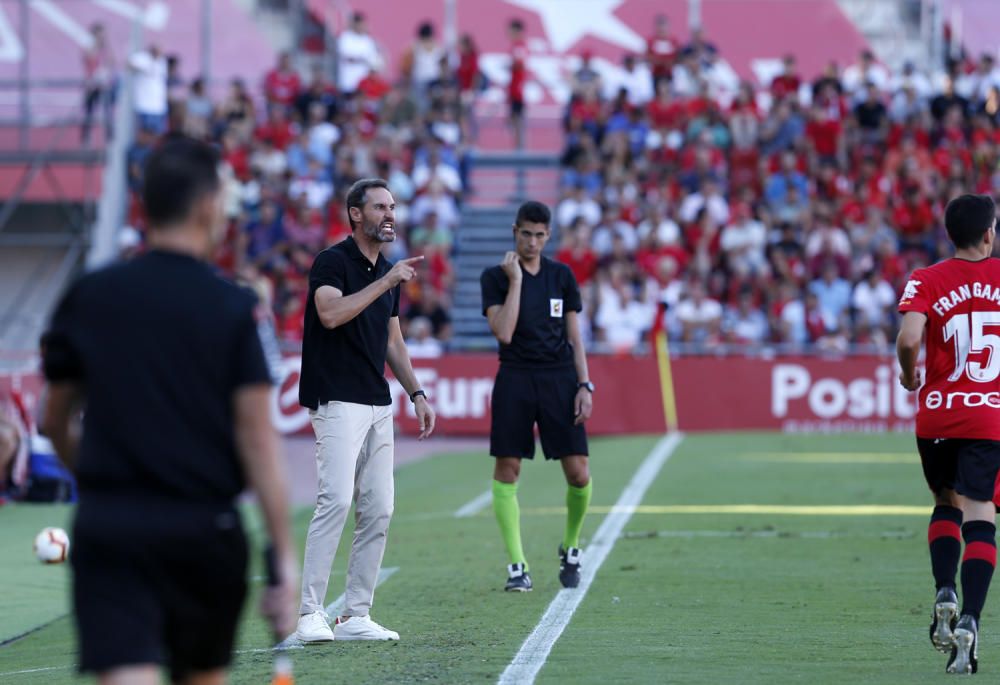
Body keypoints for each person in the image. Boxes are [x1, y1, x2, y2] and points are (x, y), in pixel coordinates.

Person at [38, 136, 297, 685]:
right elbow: (258, 441)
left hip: (112, 527)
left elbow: (52, 420)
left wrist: (98, 479)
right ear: (206, 206)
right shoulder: (234, 307)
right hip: (204, 529)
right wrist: (283, 559)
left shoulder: (90, 296)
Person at [296, 178, 436, 642]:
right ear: (356, 214)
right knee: (335, 499)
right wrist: (386, 282)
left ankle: (356, 614)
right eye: (379, 206)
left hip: (378, 401)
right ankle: (310, 613)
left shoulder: (388, 271)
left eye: (392, 206)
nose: (389, 214)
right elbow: (331, 314)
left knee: (379, 509)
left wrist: (416, 393)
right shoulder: (331, 262)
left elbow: (393, 340)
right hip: (335, 397)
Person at [896, 194, 1000, 675]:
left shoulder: (926, 278)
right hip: (989, 417)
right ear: (988, 234)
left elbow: (910, 338)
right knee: (981, 512)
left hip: (937, 416)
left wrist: (909, 374)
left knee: (945, 501)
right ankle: (972, 620)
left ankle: (944, 590)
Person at [480, 201, 594, 592]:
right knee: (508, 468)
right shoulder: (495, 278)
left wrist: (585, 384)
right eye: (525, 233)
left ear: (548, 236)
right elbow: (505, 333)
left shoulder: (562, 276)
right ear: (515, 232)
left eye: (539, 235)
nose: (532, 241)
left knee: (578, 472)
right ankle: (517, 565)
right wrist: (515, 282)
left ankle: (572, 545)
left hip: (560, 378)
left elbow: (574, 337)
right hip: (515, 376)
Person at [81, 22, 115, 145]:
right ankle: (86, 139)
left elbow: (112, 61)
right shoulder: (89, 46)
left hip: (104, 84)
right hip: (92, 85)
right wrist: (97, 44)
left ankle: (110, 138)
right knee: (89, 113)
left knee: (107, 112)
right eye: (100, 33)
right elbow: (88, 58)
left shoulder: (105, 48)